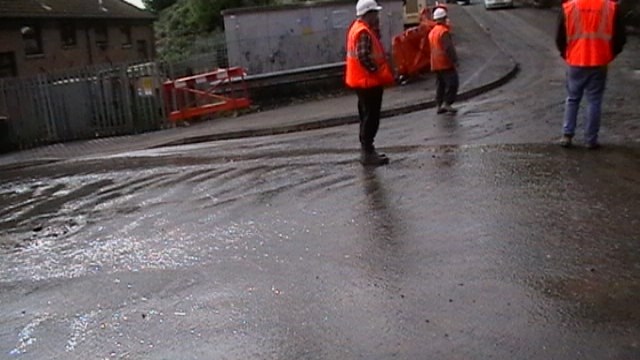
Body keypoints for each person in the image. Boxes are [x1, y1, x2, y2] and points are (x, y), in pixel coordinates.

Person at [555, 0, 626, 149]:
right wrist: (609, 55)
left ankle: (567, 135)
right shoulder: (610, 7)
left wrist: (566, 54)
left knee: (573, 99)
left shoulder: (569, 7)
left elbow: (560, 37)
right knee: (594, 101)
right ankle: (590, 139)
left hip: (575, 59)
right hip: (599, 60)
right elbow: (620, 37)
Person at [345, 0, 395, 166]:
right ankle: (367, 152)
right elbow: (364, 56)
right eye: (375, 13)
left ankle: (367, 150)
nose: (377, 16)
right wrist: (377, 71)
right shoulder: (364, 32)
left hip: (360, 81)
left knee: (365, 115)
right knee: (371, 117)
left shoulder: (357, 28)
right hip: (368, 82)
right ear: (368, 14)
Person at [428, 7, 459, 115]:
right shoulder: (443, 32)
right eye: (445, 18)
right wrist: (455, 60)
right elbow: (448, 48)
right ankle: (448, 103)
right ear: (443, 18)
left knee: (440, 85)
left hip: (435, 63)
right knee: (453, 83)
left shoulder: (432, 32)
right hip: (445, 63)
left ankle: (439, 105)